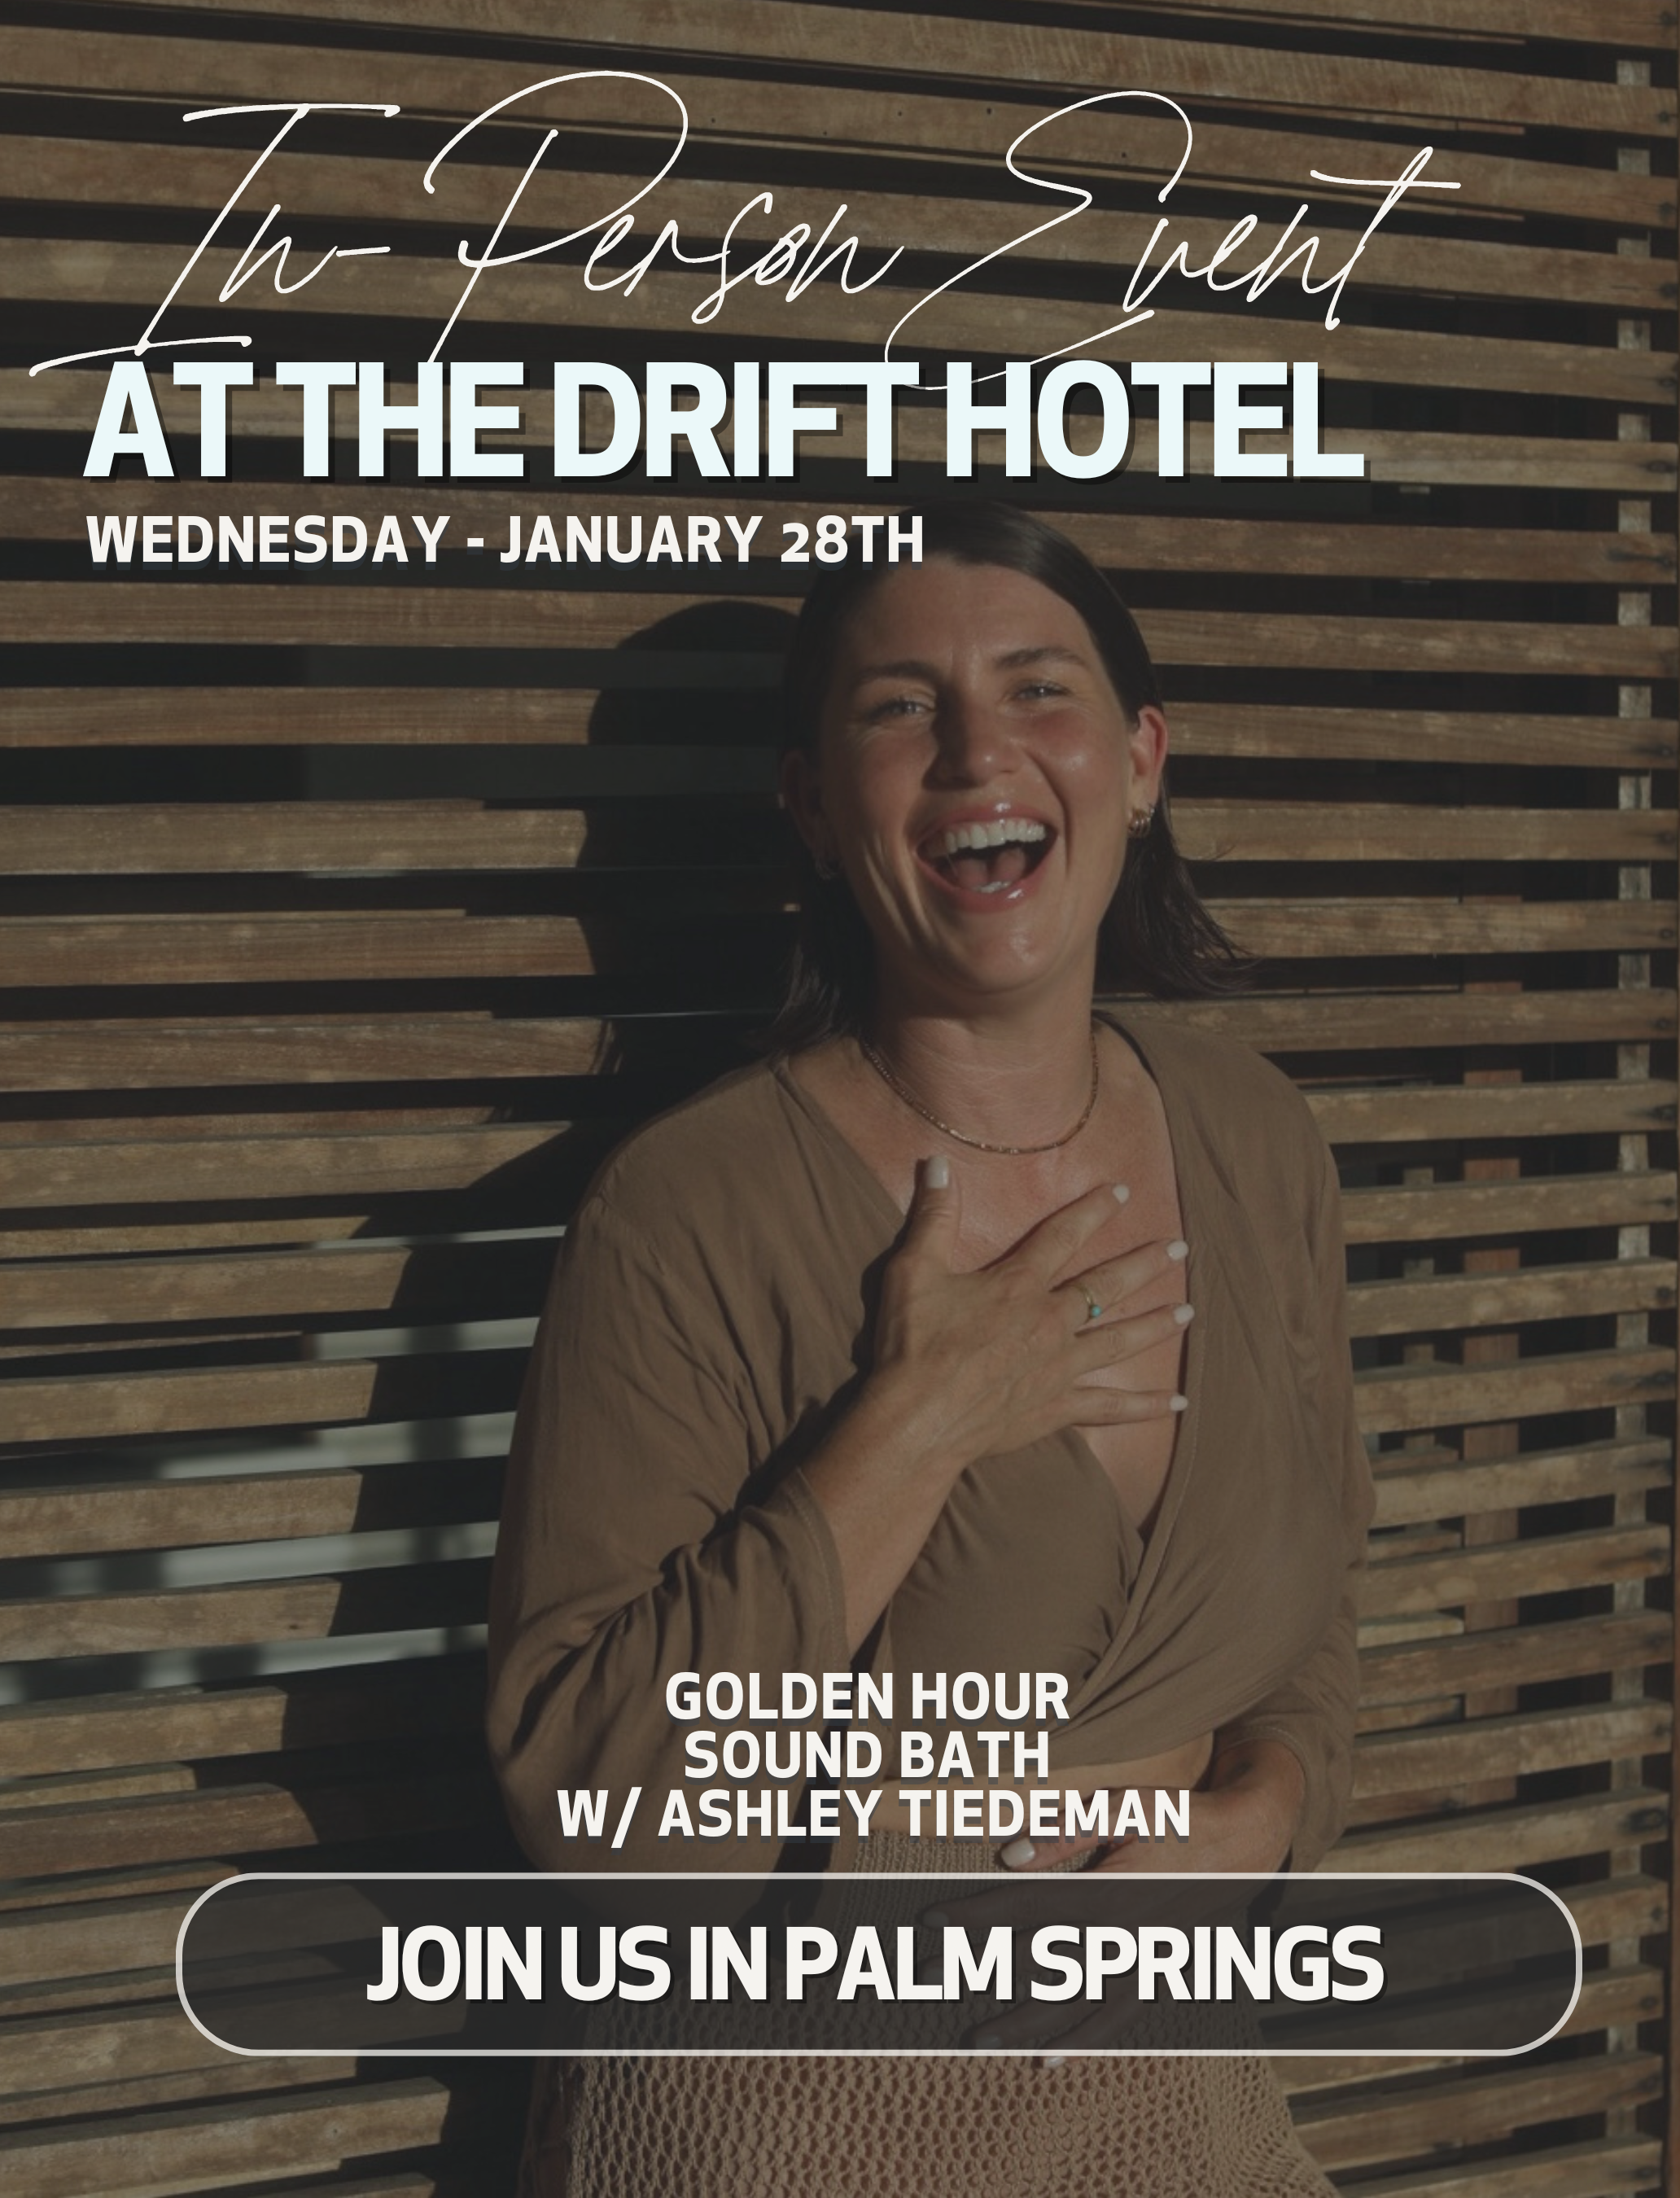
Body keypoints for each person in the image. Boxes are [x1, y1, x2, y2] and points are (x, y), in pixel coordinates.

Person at [487, 500, 1374, 2194]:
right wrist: (921, 1420)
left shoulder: (1259, 1143)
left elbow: (1315, 1612)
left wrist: (1258, 1826)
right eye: (902, 708)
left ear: (1142, 761)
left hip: (1169, 2099)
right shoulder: (689, 1207)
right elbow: (591, 1793)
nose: (978, 753)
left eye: (1040, 690)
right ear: (816, 813)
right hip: (783, 2115)